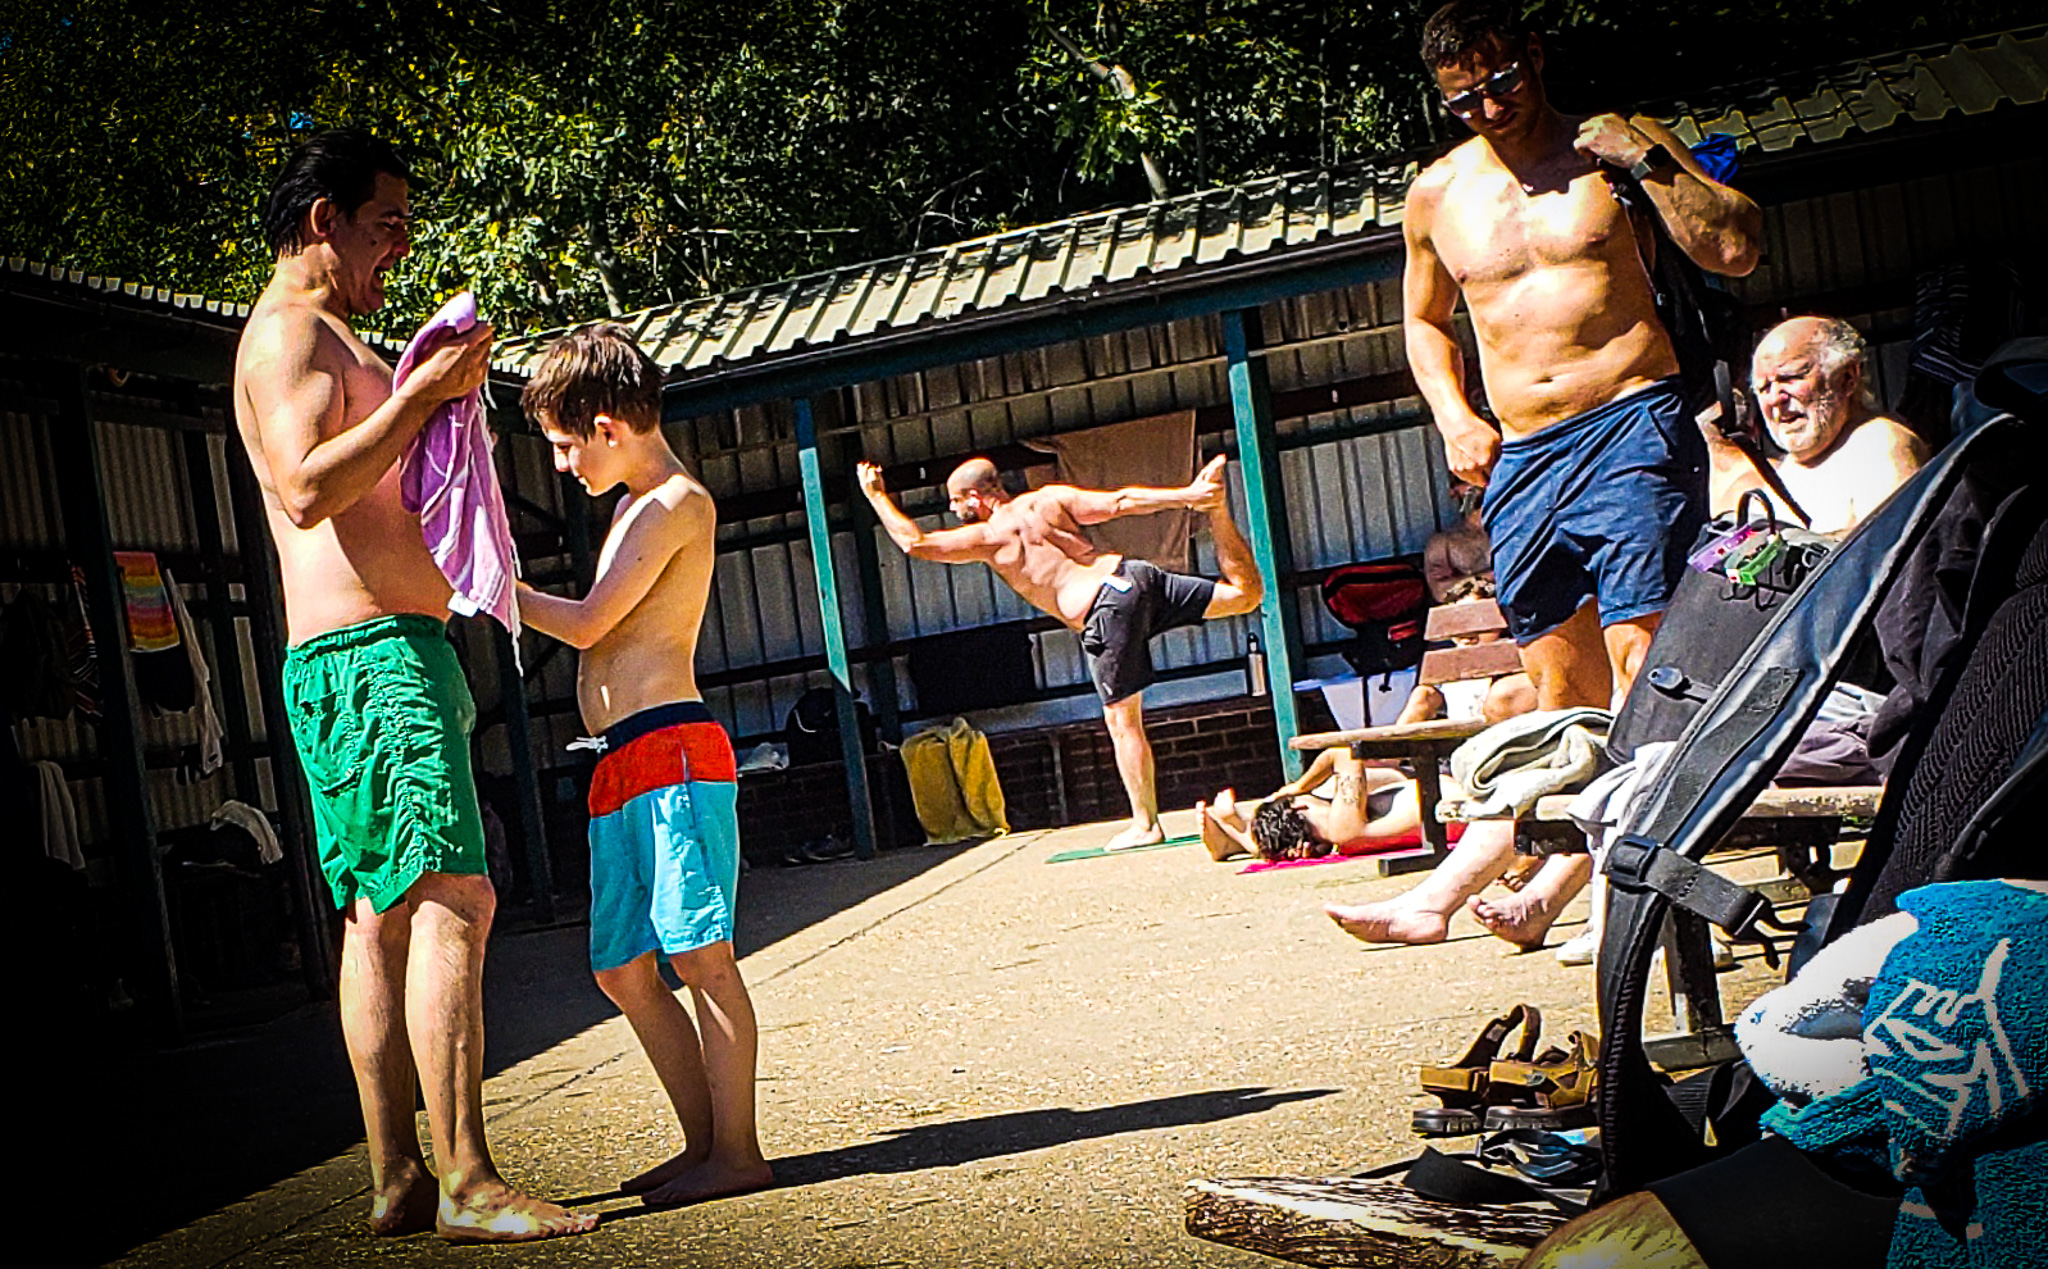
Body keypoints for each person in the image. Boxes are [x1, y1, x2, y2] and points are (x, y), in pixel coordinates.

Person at [232, 129, 594, 1242]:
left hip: (369, 657)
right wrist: (417, 397)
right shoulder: (291, 333)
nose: (399, 241)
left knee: (378, 918)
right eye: (383, 218)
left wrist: (430, 403)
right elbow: (300, 491)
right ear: (319, 217)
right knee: (454, 896)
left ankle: (398, 1178)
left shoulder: (324, 332)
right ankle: (466, 1180)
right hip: (373, 658)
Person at [1404, 0, 1761, 712]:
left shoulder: (1620, 148)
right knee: (1560, 687)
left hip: (1631, 420)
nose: (1488, 106)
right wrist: (1454, 416)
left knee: (1646, 656)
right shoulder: (1436, 195)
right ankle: (1590, 824)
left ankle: (1662, 816)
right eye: (1463, 98)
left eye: (1500, 79)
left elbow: (1736, 247)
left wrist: (1644, 161)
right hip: (1525, 454)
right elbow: (1424, 319)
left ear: (1535, 53)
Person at [515, 325, 773, 1207]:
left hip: (671, 750)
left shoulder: (674, 502)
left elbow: (589, 624)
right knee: (623, 967)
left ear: (604, 423)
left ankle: (737, 1151)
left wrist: (487, 585)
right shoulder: (632, 504)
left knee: (702, 954)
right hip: (620, 761)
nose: (559, 463)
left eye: (560, 441)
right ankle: (704, 1143)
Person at [858, 453, 1263, 850]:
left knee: (1123, 722)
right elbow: (1120, 502)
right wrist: (1189, 495)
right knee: (1245, 596)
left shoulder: (990, 536)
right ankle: (1217, 511)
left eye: (956, 500)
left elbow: (916, 544)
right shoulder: (1047, 499)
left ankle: (1146, 825)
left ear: (977, 498)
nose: (951, 507)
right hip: (1133, 577)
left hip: (1105, 611)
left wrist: (877, 495)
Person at [1707, 315, 1929, 535]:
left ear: (1847, 378)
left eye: (1790, 377)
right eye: (1764, 388)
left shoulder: (1878, 444)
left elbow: (1888, 549)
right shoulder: (1787, 466)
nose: (1775, 399)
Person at [1198, 747, 1465, 863]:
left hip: (1460, 802)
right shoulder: (1342, 828)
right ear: (1300, 807)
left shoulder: (1342, 835)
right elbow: (1344, 753)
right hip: (1474, 797)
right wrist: (1300, 786)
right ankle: (1241, 836)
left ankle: (1239, 839)